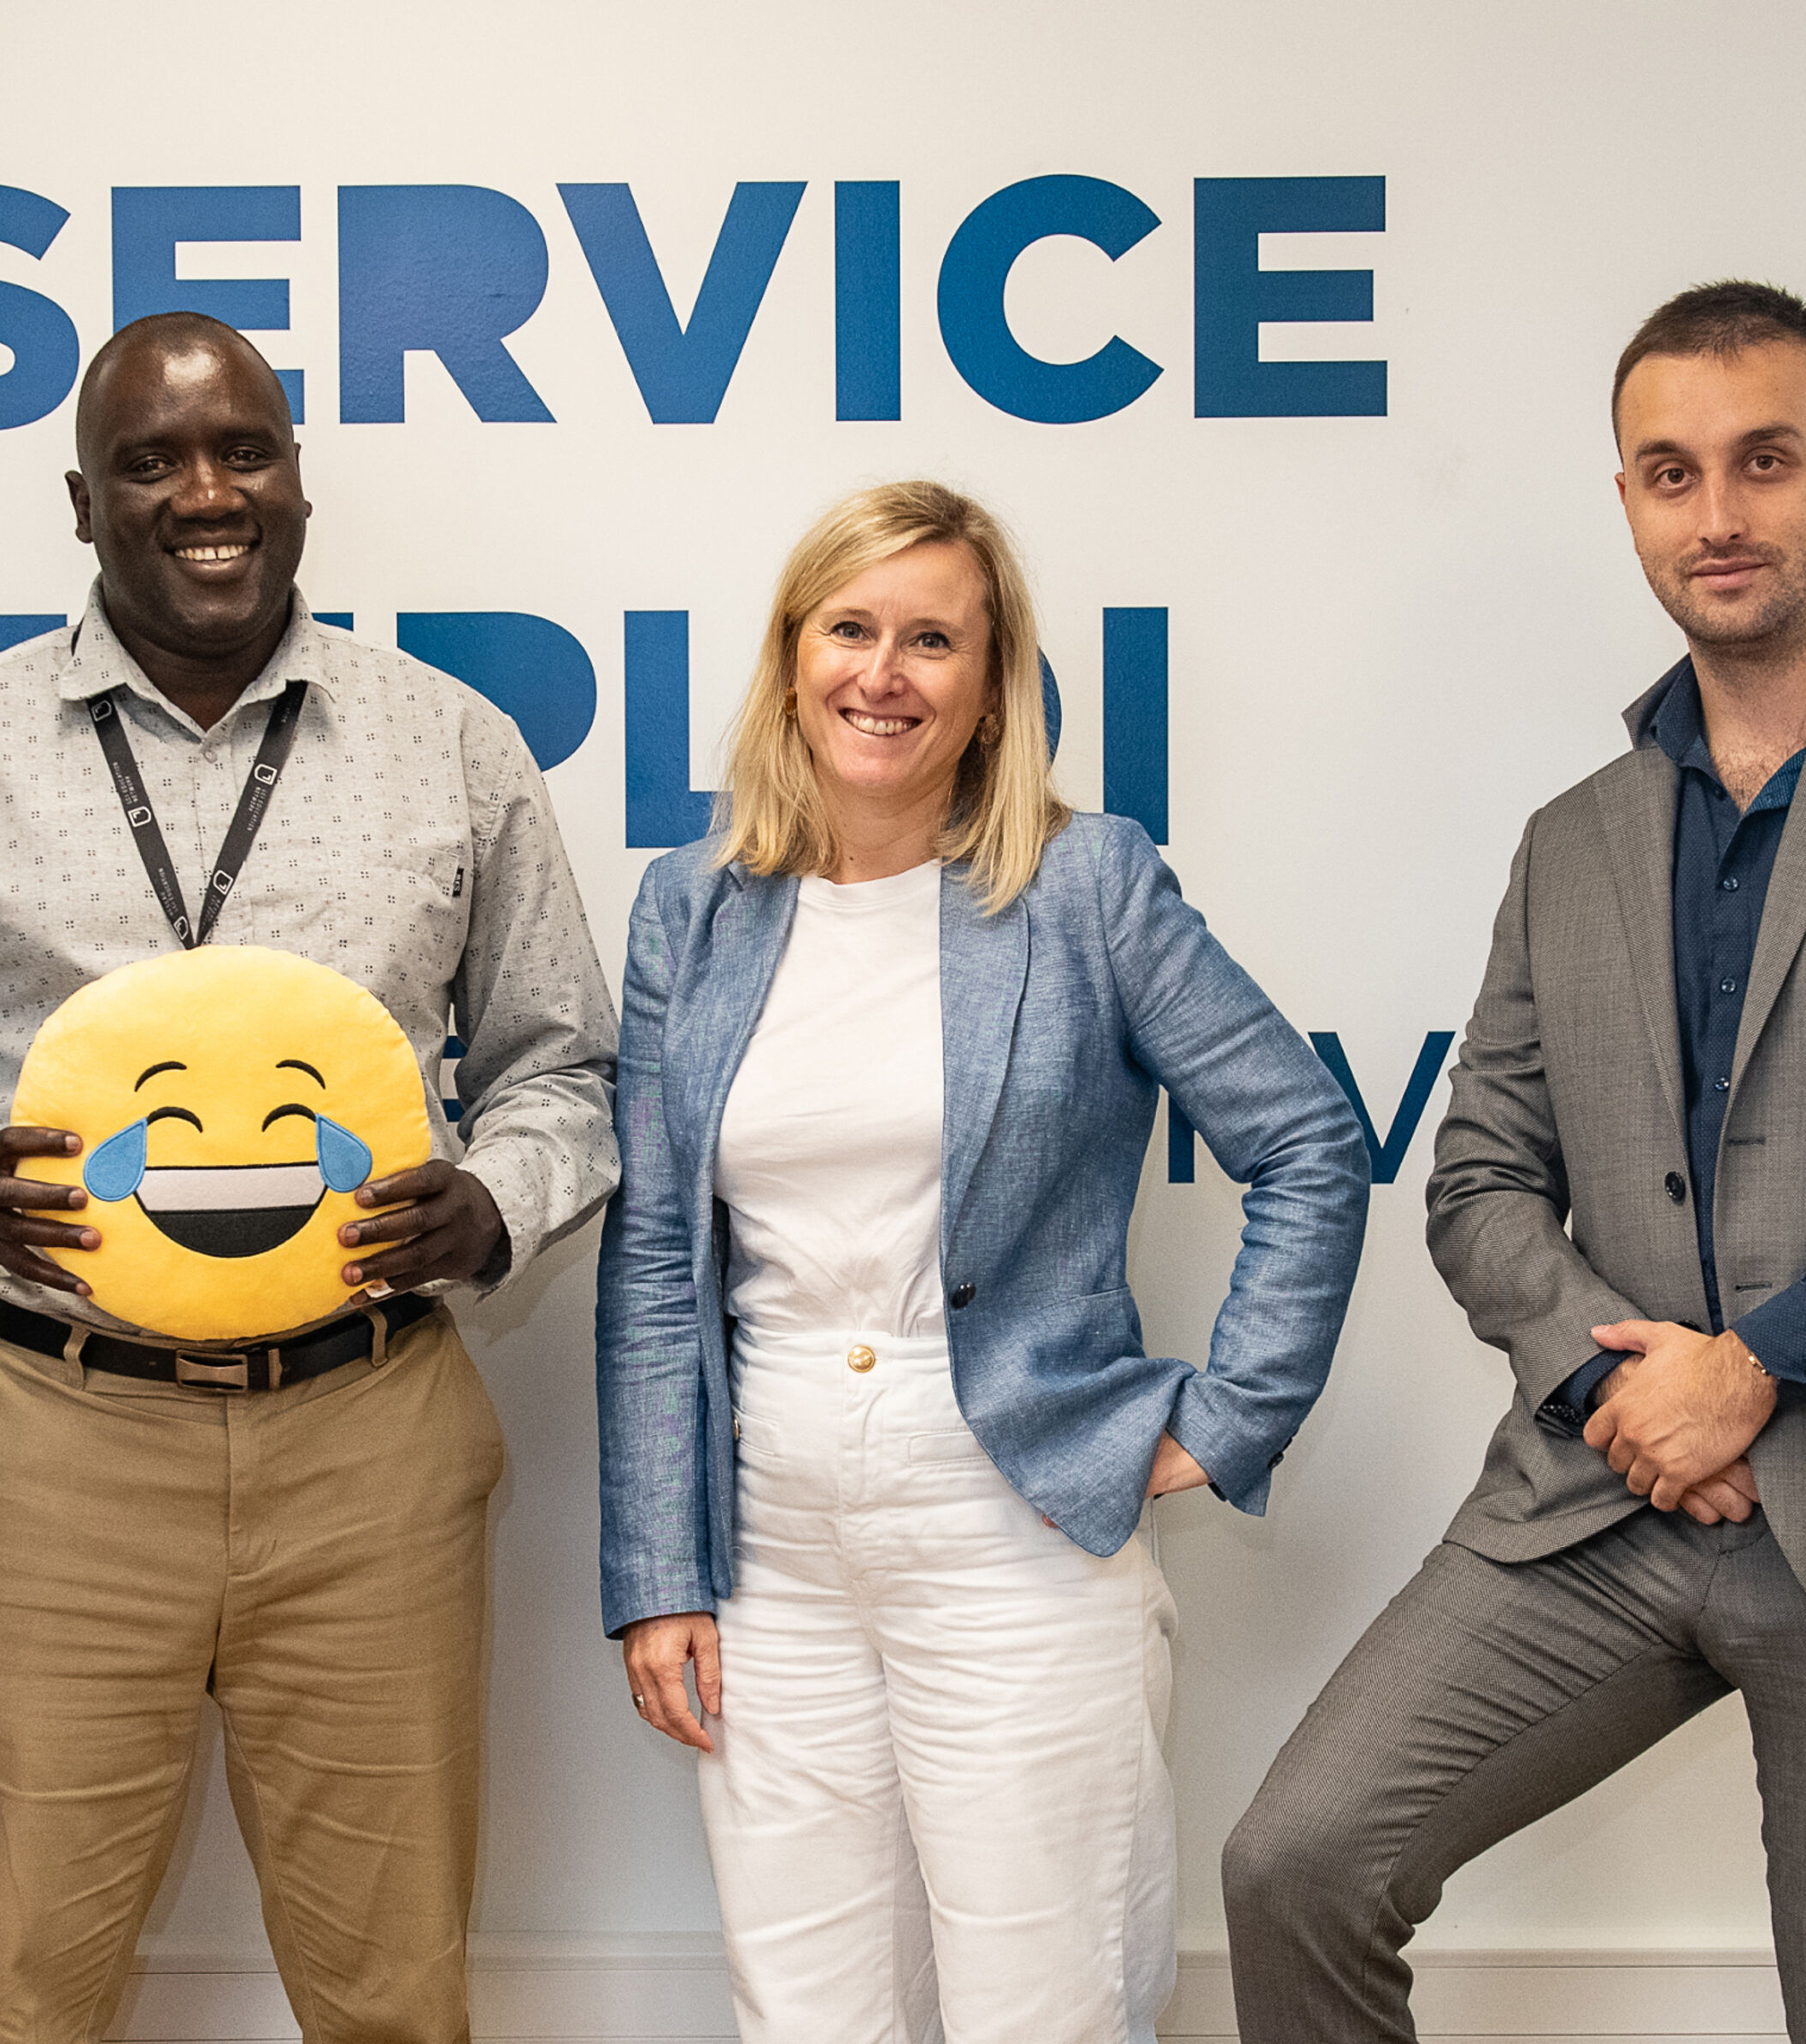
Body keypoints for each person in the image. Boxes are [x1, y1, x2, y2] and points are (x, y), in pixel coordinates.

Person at [1222, 284, 1806, 2044]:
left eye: (1764, 461)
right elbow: (1481, 1173)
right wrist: (1608, 1380)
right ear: (1632, 502)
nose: (1717, 514)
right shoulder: (1574, 839)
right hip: (1608, 1498)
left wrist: (1758, 1369)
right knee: (1298, 1862)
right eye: (1669, 472)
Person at [0, 310, 619, 2043]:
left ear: (300, 482)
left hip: (374, 1441)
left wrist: (497, 1204)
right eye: (153, 458)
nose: (206, 492)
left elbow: (565, 1066)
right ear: (82, 500)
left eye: (244, 450)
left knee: (398, 1998)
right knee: (18, 1996)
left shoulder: (454, 748)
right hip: (56, 1443)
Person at [598, 480, 1373, 2043]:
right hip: (772, 1542)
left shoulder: (1088, 885)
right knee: (809, 2008)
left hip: (1014, 1518)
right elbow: (659, 1261)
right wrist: (656, 1568)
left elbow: (1309, 1142)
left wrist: (1222, 1423)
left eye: (932, 638)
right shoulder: (692, 906)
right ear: (791, 655)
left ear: (991, 679)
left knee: (1049, 1999)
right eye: (852, 629)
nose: (884, 673)